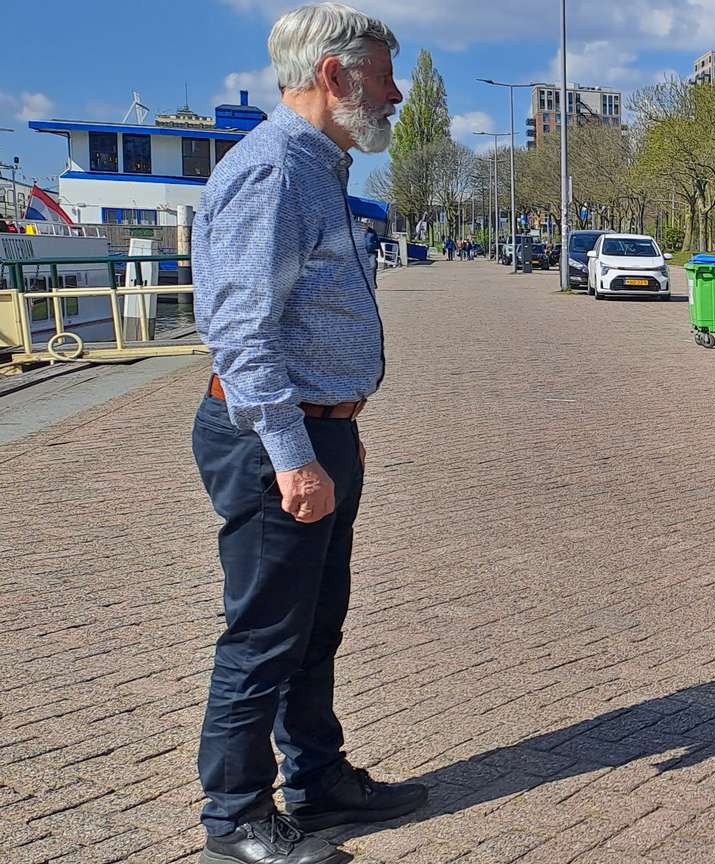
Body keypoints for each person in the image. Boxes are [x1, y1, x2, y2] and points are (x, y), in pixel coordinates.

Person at [189, 5, 423, 864]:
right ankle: (235, 819)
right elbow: (242, 332)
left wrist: (338, 429)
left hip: (320, 431)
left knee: (314, 625)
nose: (395, 94)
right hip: (272, 439)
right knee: (263, 636)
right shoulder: (274, 171)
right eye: (383, 76)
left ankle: (317, 781)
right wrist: (294, 453)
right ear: (334, 74)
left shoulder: (319, 167)